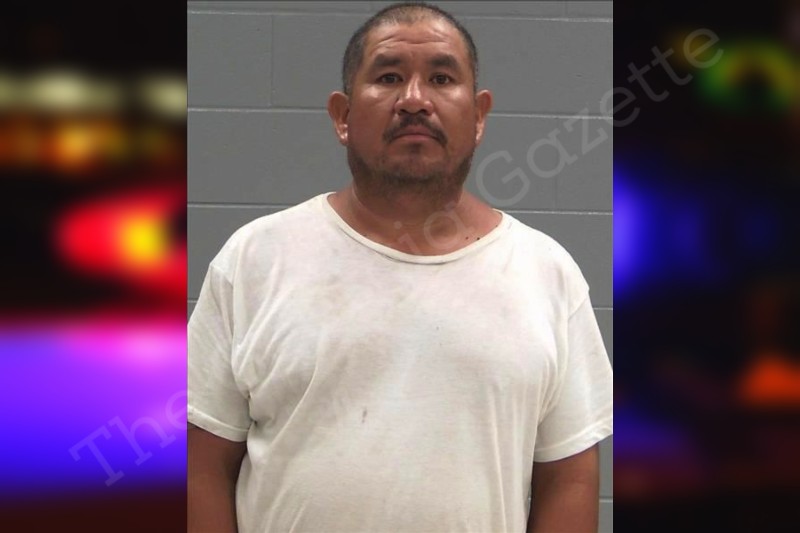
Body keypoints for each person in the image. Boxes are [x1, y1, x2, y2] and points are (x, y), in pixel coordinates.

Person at [187, 2, 613, 532]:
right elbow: (201, 468)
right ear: (343, 115)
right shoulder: (255, 259)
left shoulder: (546, 273)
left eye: (442, 78)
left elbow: (569, 479)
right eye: (388, 77)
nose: (415, 100)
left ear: (479, 115)